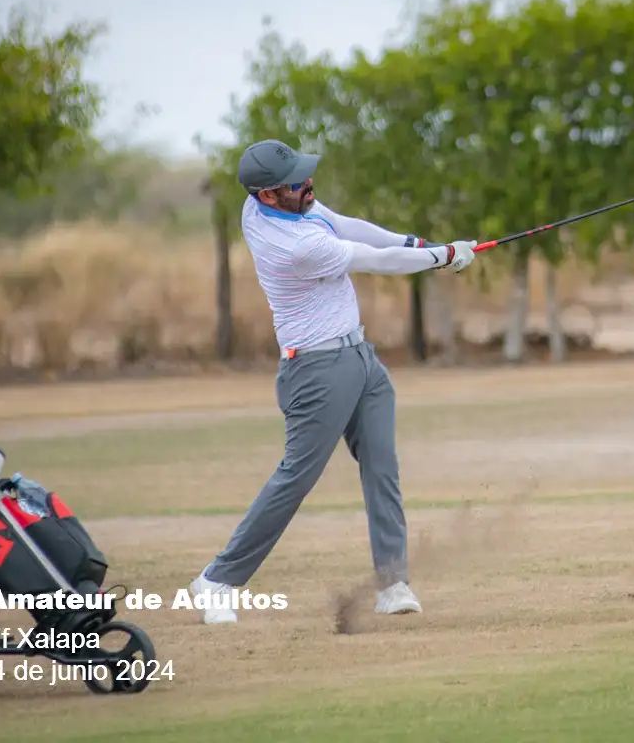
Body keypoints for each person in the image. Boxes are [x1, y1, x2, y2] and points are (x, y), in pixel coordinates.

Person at [189, 139, 478, 624]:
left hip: (360, 358)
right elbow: (372, 259)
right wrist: (444, 256)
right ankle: (217, 580)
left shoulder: (276, 204)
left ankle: (393, 584)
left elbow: (345, 224)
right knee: (296, 478)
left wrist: (414, 243)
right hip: (316, 371)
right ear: (267, 195)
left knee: (381, 467)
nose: (308, 184)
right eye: (296, 182)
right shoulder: (294, 246)